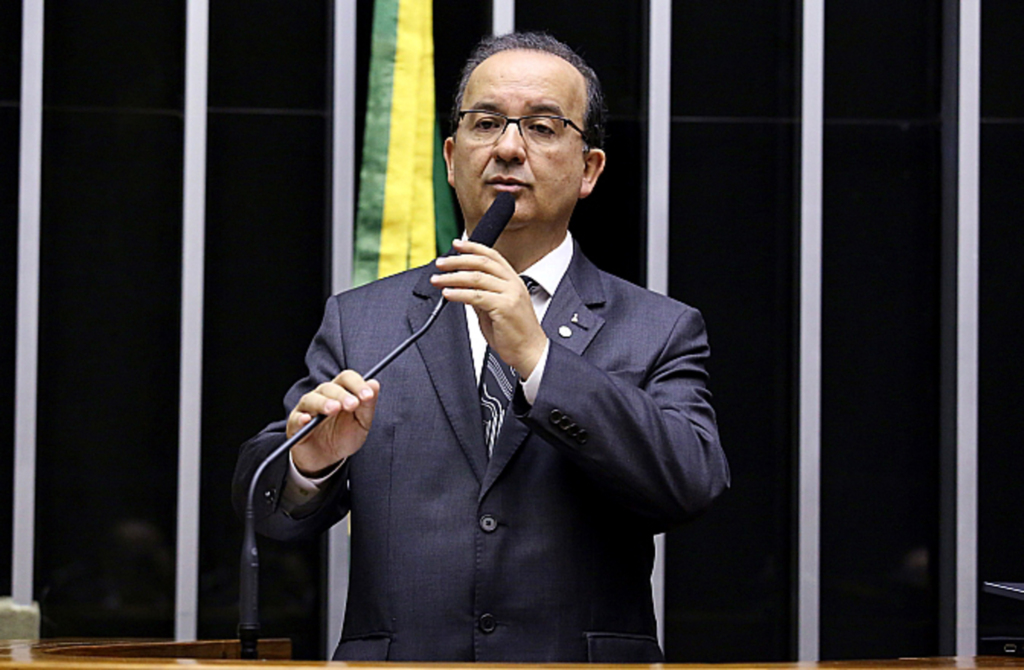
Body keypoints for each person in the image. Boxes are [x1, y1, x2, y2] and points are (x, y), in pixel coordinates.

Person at [233, 31, 729, 663]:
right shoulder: (366, 321)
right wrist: (312, 464)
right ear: (450, 155)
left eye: (543, 128)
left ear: (589, 169)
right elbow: (268, 506)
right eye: (487, 123)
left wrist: (540, 361)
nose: (509, 148)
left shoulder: (658, 328)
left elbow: (691, 482)